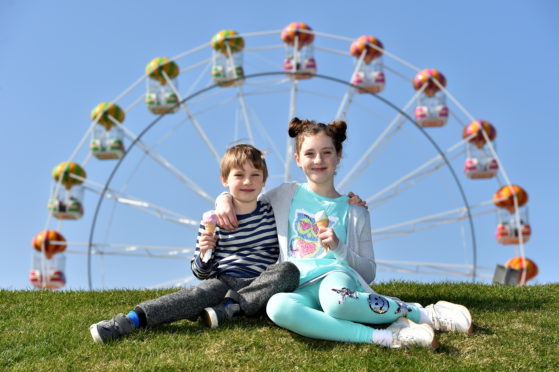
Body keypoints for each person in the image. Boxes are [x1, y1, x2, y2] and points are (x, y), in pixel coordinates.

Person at [216, 118, 473, 349]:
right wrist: (223, 199)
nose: (318, 160)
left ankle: (423, 314)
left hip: (336, 277)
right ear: (298, 159)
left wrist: (339, 247)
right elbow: (245, 197)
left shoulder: (355, 212)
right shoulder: (284, 195)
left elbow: (368, 271)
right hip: (296, 281)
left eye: (327, 153)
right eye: (310, 154)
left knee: (335, 303)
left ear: (338, 156)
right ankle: (384, 337)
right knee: (277, 307)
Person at [89, 144, 300, 343]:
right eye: (239, 175)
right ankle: (130, 321)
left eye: (255, 175)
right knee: (195, 295)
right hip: (224, 282)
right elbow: (200, 273)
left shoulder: (272, 211)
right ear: (224, 180)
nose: (247, 182)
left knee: (288, 271)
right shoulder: (212, 221)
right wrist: (204, 253)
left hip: (260, 283)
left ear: (264, 181)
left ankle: (230, 308)